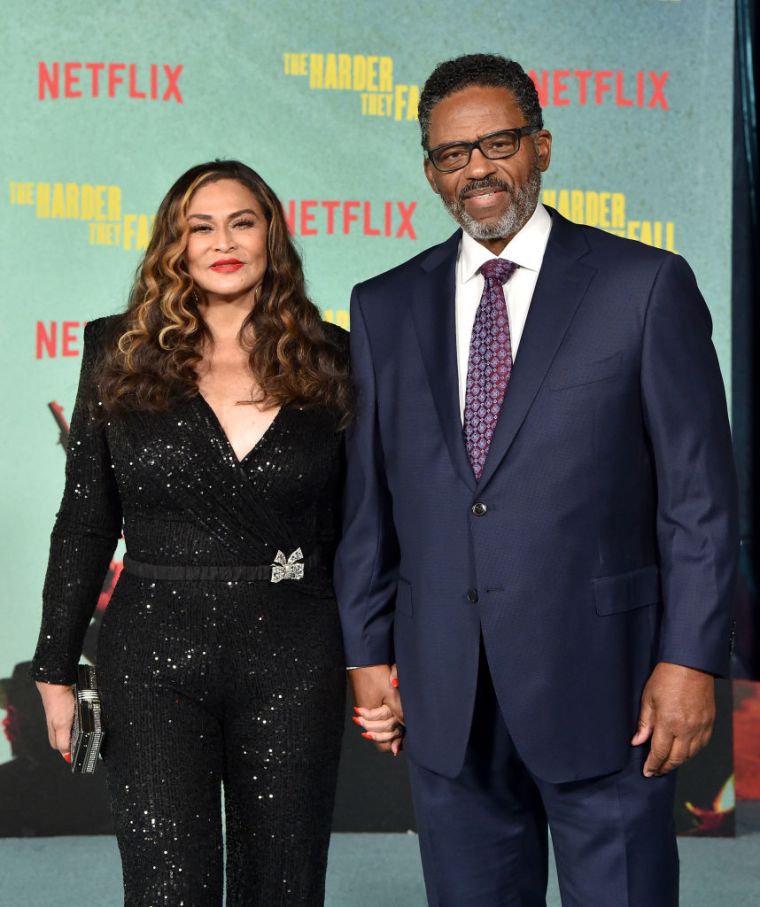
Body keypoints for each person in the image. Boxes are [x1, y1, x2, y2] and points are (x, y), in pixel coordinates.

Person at [335, 54, 738, 907]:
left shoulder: (644, 286)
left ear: (542, 146)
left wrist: (691, 660)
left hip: (613, 688)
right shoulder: (382, 307)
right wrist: (368, 651)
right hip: (446, 696)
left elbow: (699, 502)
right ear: (430, 171)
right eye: (452, 153)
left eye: (498, 143)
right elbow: (370, 503)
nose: (476, 168)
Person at [32, 160, 351, 906]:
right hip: (151, 656)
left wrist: (376, 656)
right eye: (199, 226)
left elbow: (357, 527)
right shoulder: (116, 351)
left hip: (295, 653)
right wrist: (55, 668)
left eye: (242, 221)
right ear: (174, 246)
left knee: (285, 884)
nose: (222, 242)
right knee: (167, 887)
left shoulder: (333, 356)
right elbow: (85, 518)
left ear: (271, 234)